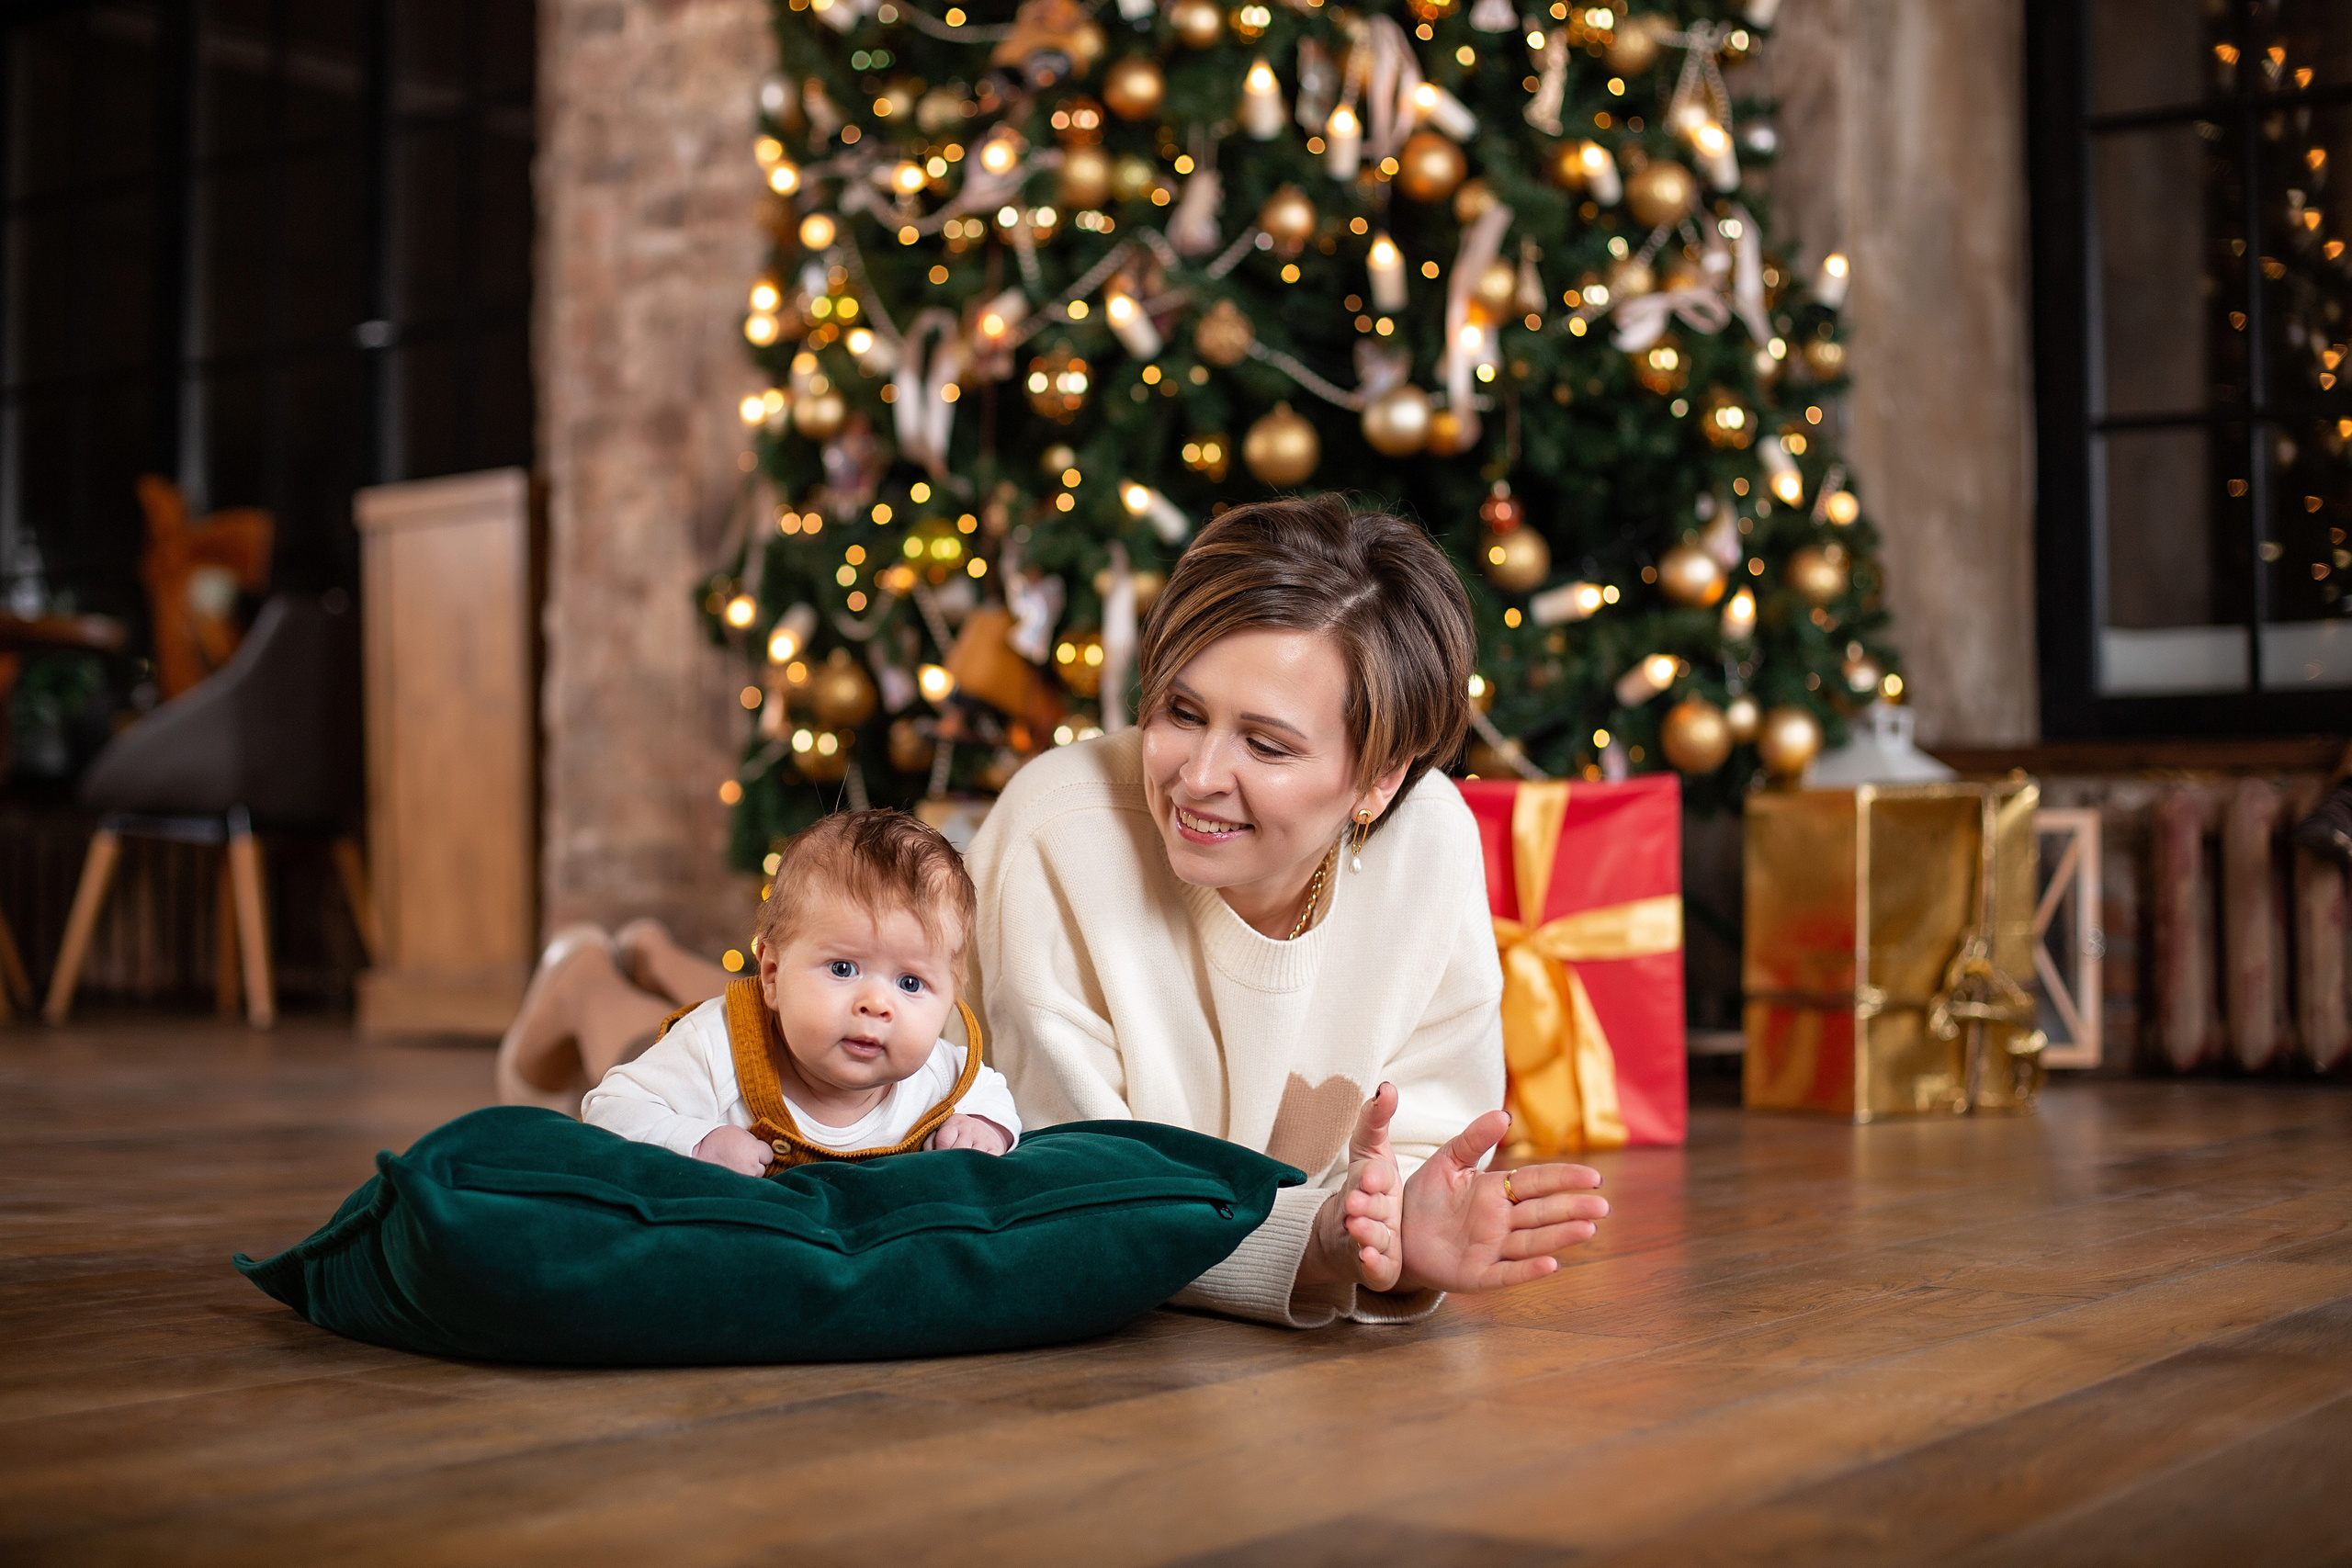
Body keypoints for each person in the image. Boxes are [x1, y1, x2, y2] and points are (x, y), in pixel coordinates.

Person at [964, 494, 1611, 1329]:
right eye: (1181, 712)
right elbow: (1085, 1202)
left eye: (1266, 745)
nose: (1198, 776)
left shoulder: (1432, 839)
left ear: (1381, 778)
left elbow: (1420, 1153)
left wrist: (1395, 1228)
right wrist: (1313, 1245)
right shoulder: (1058, 832)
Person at [578, 809, 1018, 1173]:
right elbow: (609, 1108)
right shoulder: (714, 1051)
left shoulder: (942, 1078)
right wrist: (697, 1141)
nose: (877, 1005)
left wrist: (986, 1127)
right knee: (607, 1017)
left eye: (910, 983)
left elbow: (994, 1098)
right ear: (771, 973)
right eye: (843, 969)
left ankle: (655, 955)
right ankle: (587, 971)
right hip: (655, 1050)